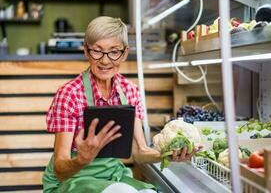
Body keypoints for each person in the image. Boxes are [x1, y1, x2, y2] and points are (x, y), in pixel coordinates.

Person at [43, 16, 199, 193]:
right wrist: (81, 159)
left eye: (114, 51)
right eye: (97, 51)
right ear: (86, 51)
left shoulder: (129, 91)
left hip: (112, 176)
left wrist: (168, 155)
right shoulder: (70, 94)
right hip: (70, 181)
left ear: (124, 53)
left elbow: (140, 151)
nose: (105, 60)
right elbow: (60, 170)